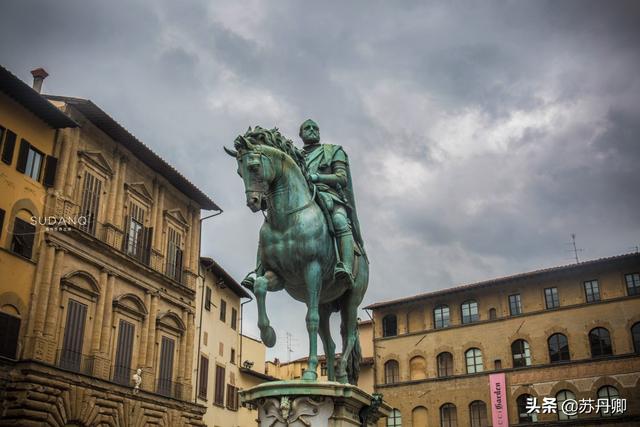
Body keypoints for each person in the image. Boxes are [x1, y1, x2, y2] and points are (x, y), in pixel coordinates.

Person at [299, 119, 363, 289]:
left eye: (315, 128)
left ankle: (346, 268)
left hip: (330, 197)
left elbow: (341, 178)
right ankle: (258, 271)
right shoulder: (295, 156)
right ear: (301, 134)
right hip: (303, 198)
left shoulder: (334, 151)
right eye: (307, 128)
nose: (312, 130)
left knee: (340, 221)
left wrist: (318, 177)